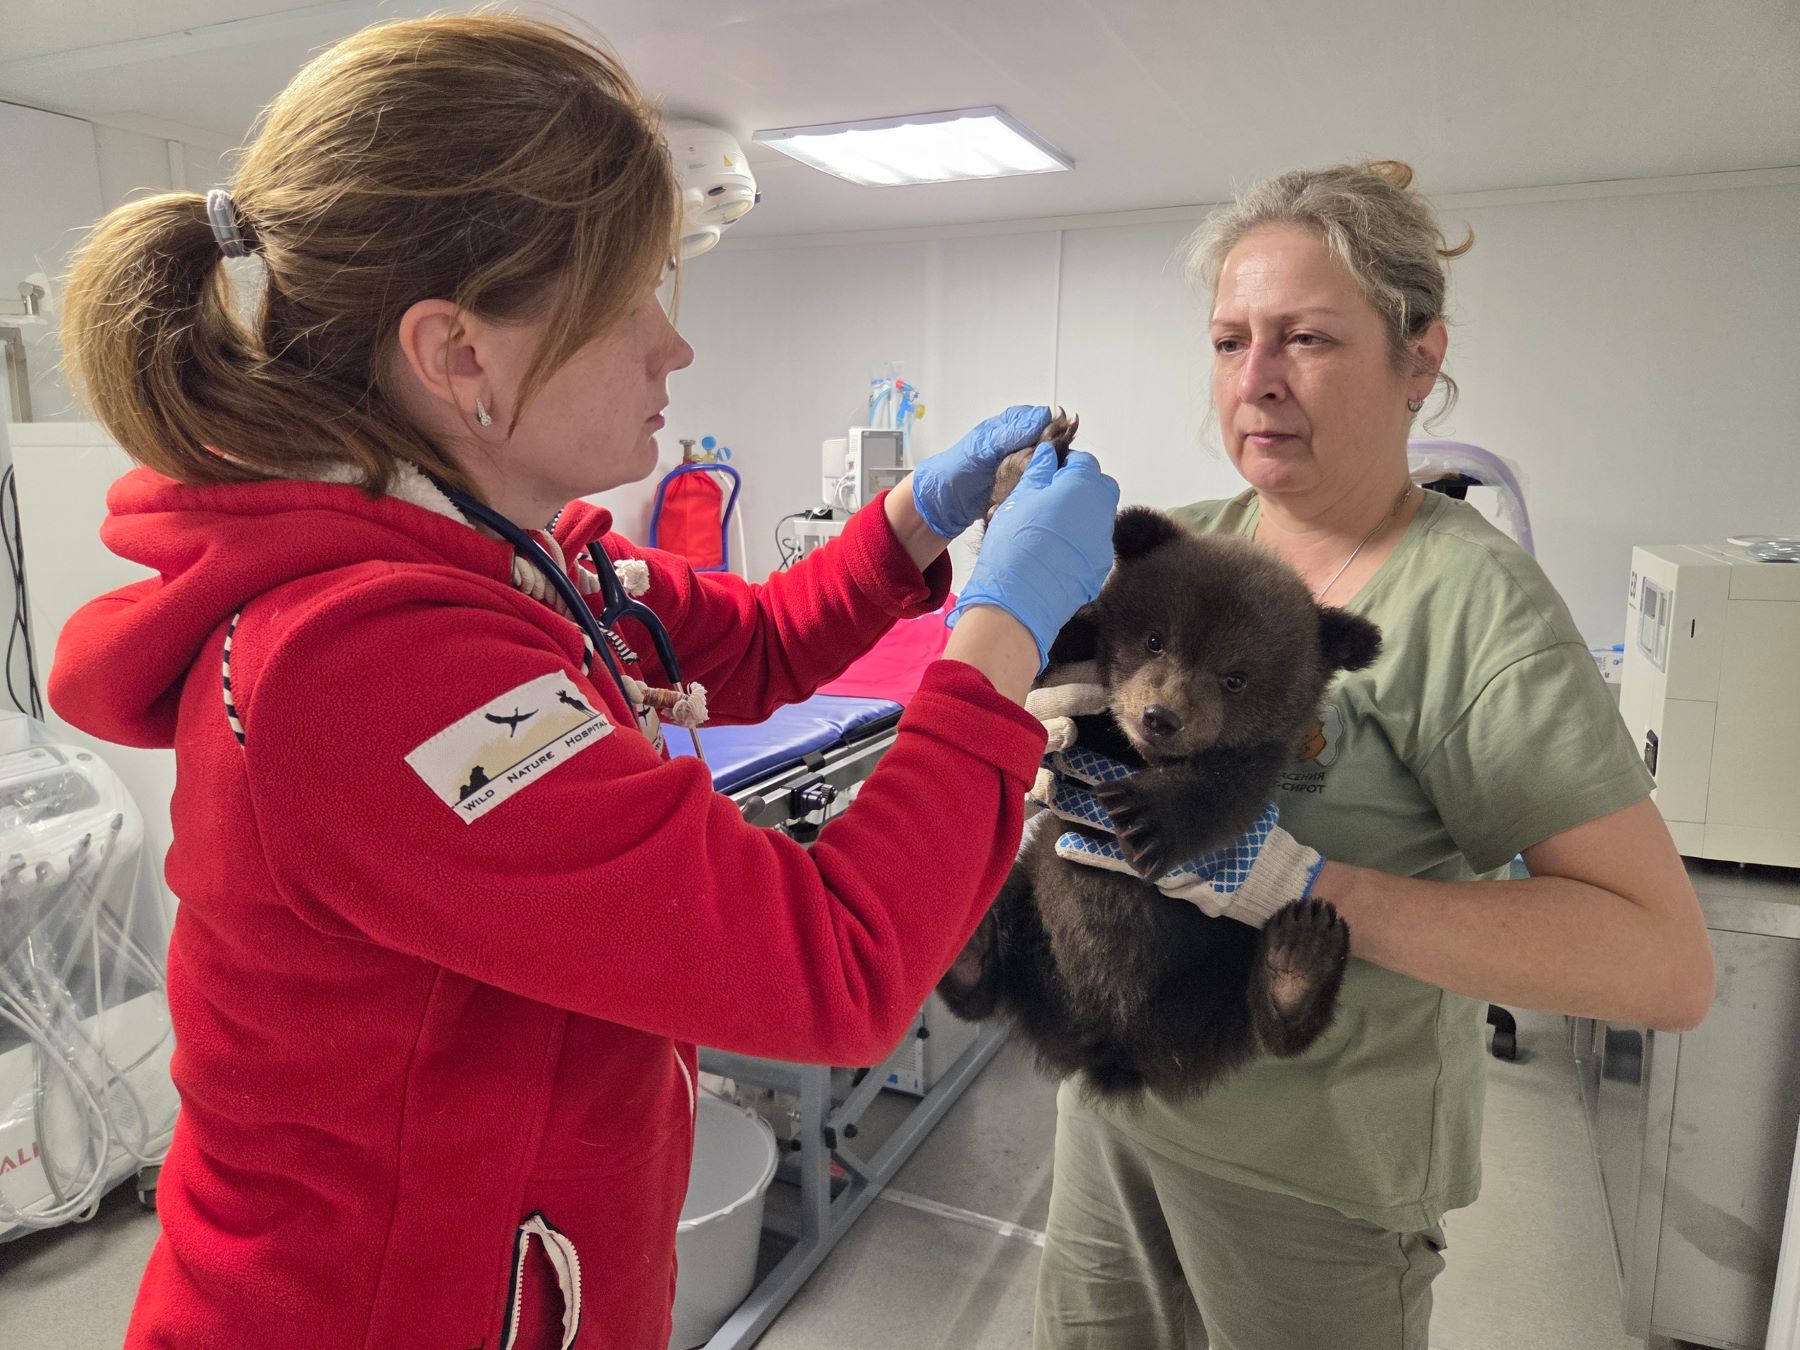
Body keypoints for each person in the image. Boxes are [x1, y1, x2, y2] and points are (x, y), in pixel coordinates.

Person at [49, 16, 1119, 1349]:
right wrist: (1006, 639)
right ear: (460, 356)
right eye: (631, 302)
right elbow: (831, 964)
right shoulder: (366, 667)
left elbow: (758, 642)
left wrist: (914, 517)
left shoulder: (518, 563)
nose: (674, 347)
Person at [1029, 160, 1714, 1350]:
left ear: (1419, 362)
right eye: (1230, 339)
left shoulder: (1474, 607)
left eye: (1306, 339)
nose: (1256, 382)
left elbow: (1664, 964)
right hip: (1114, 1111)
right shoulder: (1202, 541)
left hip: (1313, 1181)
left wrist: (1308, 888)